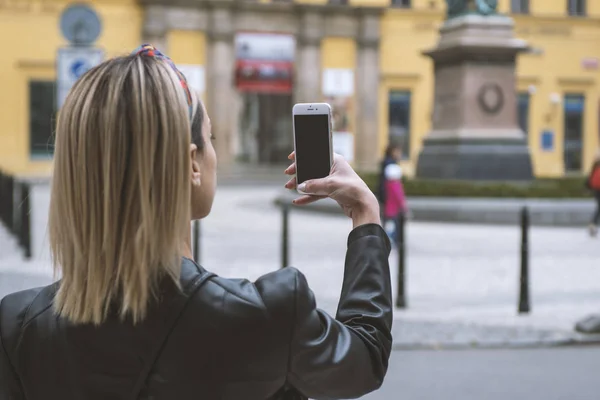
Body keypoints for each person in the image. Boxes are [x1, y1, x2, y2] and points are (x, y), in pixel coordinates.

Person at [0, 45, 392, 400]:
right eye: (211, 136)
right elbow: (364, 359)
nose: (215, 154)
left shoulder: (18, 328)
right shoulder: (267, 315)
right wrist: (365, 215)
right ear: (191, 163)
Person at [383, 164, 408, 242]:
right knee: (395, 227)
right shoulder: (396, 184)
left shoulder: (387, 183)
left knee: (390, 225)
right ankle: (390, 238)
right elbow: (399, 197)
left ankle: (387, 237)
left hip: (388, 208)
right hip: (395, 210)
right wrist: (404, 207)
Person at [587, 150, 600, 237]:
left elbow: (590, 178)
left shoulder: (595, 165)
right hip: (597, 188)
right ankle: (593, 224)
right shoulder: (595, 166)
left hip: (596, 189)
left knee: (599, 207)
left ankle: (593, 224)